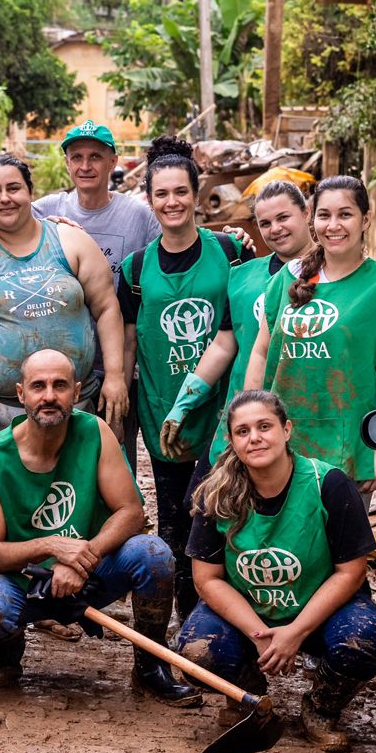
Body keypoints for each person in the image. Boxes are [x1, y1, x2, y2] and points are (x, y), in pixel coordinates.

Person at [0, 350, 200, 706]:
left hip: (91, 571)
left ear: (76, 390)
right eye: (38, 386)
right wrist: (55, 546)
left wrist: (79, 559)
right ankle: (5, 653)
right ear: (21, 393)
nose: (49, 396)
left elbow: (131, 512)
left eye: (59, 386)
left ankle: (150, 666)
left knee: (154, 554)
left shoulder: (95, 432)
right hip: (21, 580)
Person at [0, 154, 127, 596]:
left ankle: (63, 589)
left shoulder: (69, 241)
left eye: (13, 188)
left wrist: (114, 374)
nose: (5, 198)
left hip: (65, 402)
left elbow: (106, 308)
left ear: (30, 191)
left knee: (62, 492)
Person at [176, 391, 376, 752]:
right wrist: (258, 633)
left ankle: (320, 709)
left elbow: (350, 573)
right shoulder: (216, 494)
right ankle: (249, 698)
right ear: (231, 441)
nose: (254, 437)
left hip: (321, 612)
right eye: (242, 431)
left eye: (264, 426)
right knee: (197, 651)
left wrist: (295, 632)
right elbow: (206, 579)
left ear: (287, 430)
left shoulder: (329, 484)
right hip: (249, 614)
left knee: (363, 638)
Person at [158, 179, 315, 585]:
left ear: (307, 214)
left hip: (309, 427)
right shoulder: (243, 276)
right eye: (265, 222)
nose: (276, 228)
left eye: (284, 217)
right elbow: (225, 344)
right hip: (237, 426)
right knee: (205, 519)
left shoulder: (338, 277)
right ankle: (200, 622)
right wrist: (184, 402)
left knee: (304, 532)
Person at [116, 136, 245, 621]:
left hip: (222, 412)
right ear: (149, 200)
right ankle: (175, 622)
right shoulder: (133, 270)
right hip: (161, 409)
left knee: (222, 513)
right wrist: (120, 394)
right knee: (173, 517)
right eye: (161, 194)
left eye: (180, 192)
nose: (172, 202)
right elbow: (128, 343)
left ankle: (214, 616)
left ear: (196, 194)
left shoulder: (231, 252)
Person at [244, 176, 376, 491]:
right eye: (325, 215)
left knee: (341, 540)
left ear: (365, 219)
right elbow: (260, 353)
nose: (333, 225)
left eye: (345, 214)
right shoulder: (289, 277)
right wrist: (247, 427)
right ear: (313, 219)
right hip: (280, 446)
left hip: (348, 449)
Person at [33, 120, 159, 284]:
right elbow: (1, 227)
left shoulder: (139, 215)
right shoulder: (47, 210)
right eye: (77, 157)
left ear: (112, 162)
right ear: (67, 163)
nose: (85, 166)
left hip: (121, 310)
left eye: (95, 157)